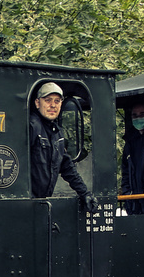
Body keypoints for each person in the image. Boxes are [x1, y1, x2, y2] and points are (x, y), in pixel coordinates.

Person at [28, 83, 99, 212]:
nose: (53, 105)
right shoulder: (31, 127)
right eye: (48, 100)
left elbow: (66, 166)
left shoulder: (57, 132)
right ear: (37, 103)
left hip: (41, 203)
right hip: (28, 203)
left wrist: (84, 193)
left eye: (57, 101)